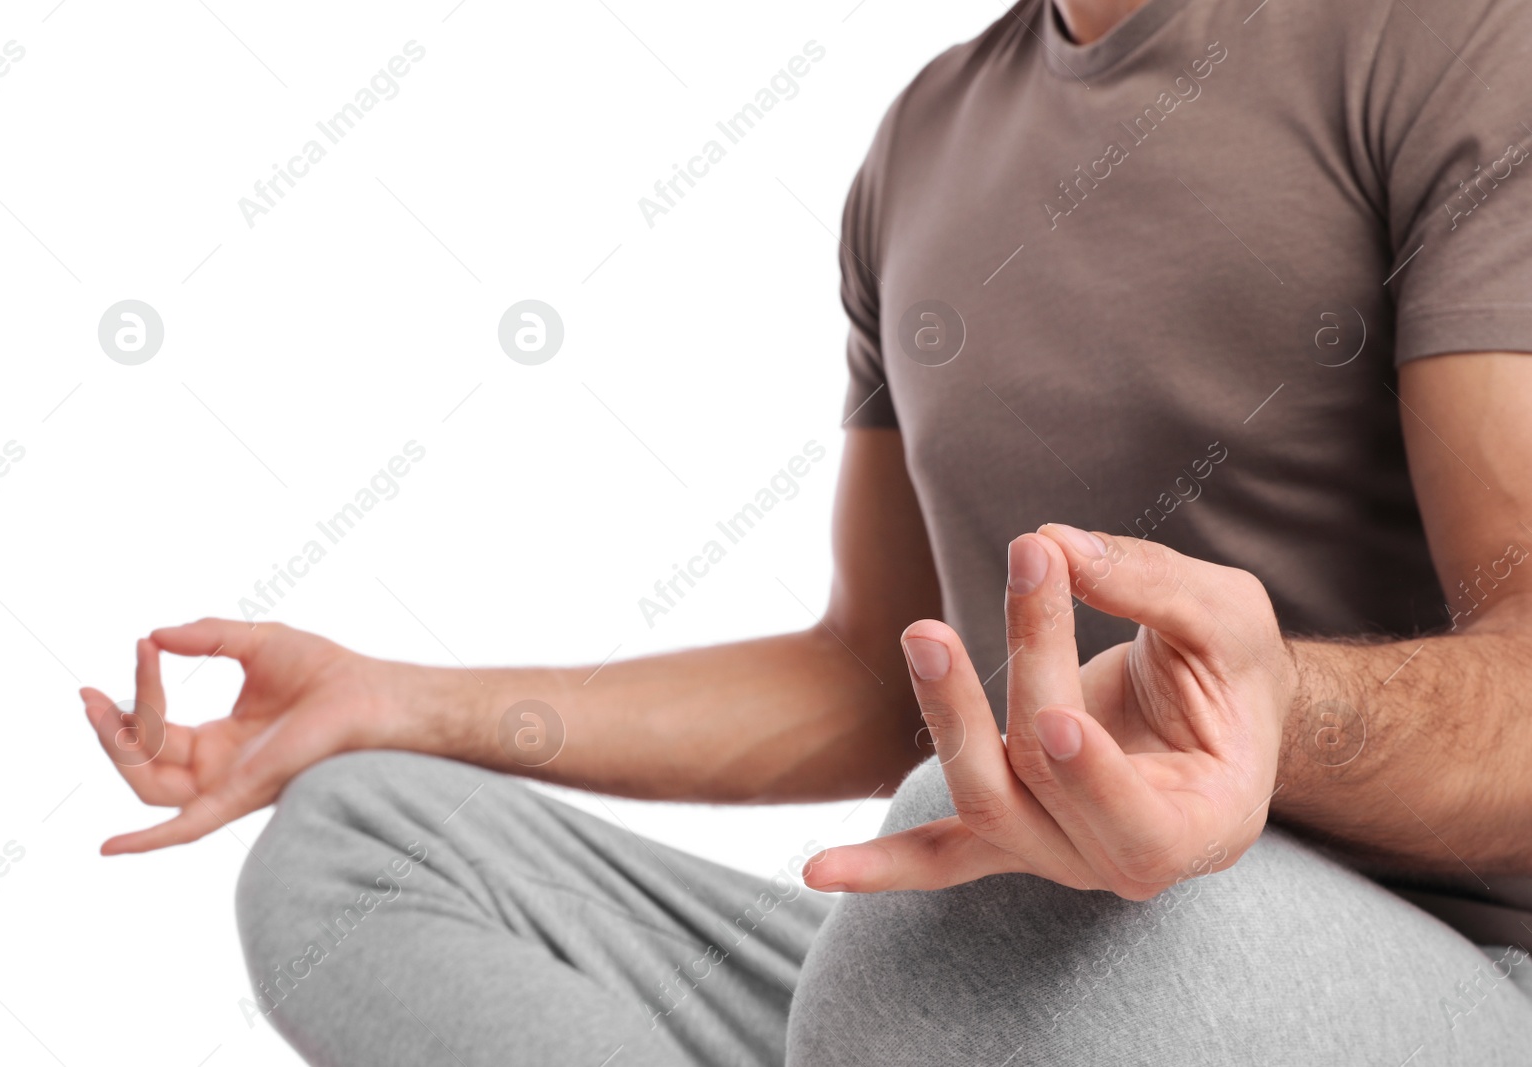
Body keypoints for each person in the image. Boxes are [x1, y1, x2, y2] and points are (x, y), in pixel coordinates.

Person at [81, 0, 1532, 1062]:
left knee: (944, 922)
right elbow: (867, 677)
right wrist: (395, 704)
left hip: (1411, 979)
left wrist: (1279, 708)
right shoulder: (925, 142)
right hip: (987, 977)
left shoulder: (1456, 40)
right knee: (358, 847)